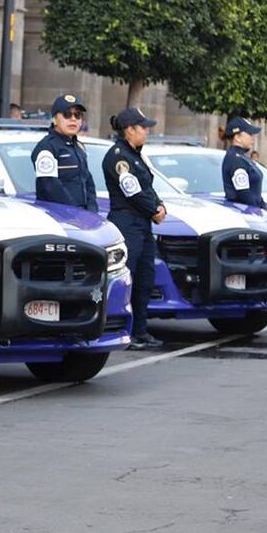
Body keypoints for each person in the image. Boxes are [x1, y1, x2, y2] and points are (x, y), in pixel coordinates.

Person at [103, 107, 167, 351]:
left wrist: (159, 206)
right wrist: (154, 210)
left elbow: (147, 187)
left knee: (145, 279)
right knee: (126, 279)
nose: (147, 132)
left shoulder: (136, 155)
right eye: (144, 127)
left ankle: (140, 331)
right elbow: (133, 191)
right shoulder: (119, 157)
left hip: (142, 223)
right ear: (130, 130)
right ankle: (123, 331)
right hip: (127, 223)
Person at [31, 93, 98, 211]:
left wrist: (92, 210)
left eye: (77, 115)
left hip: (82, 217)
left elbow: (88, 182)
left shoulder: (78, 147)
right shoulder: (47, 148)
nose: (73, 119)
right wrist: (74, 213)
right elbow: (50, 186)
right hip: (58, 217)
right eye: (67, 114)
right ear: (54, 119)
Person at [222, 117, 265, 209]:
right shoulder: (235, 160)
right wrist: (257, 211)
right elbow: (244, 194)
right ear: (237, 137)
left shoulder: (242, 157)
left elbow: (254, 192)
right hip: (245, 216)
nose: (252, 138)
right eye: (249, 134)